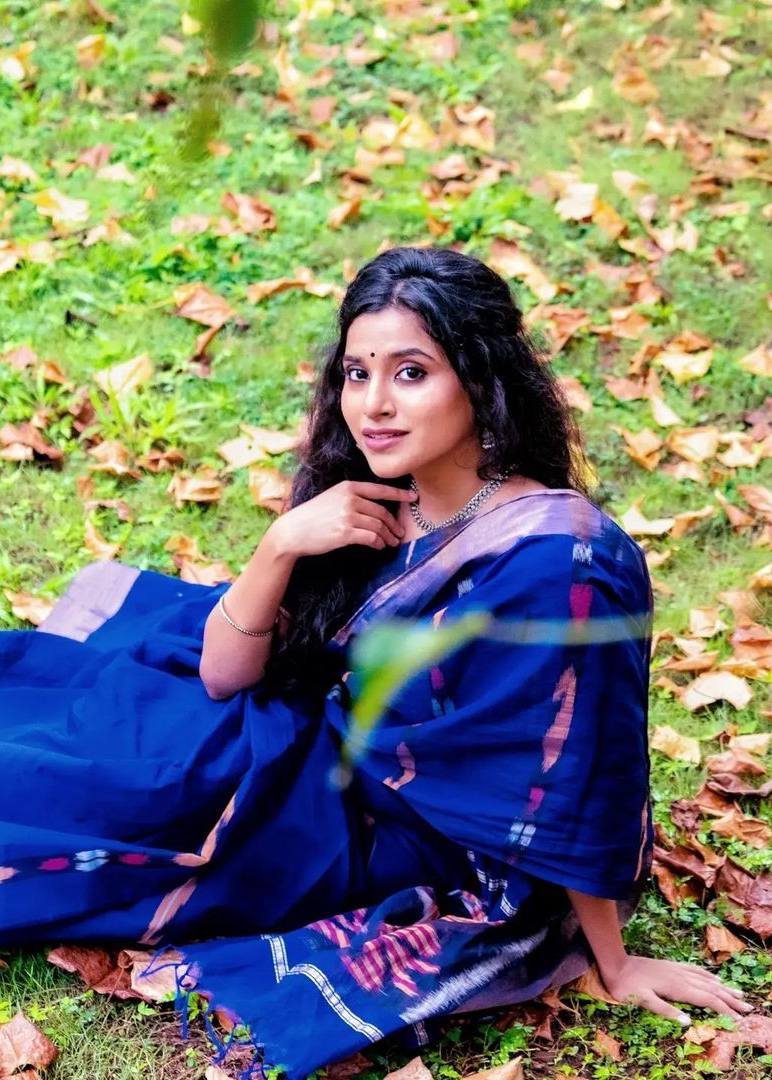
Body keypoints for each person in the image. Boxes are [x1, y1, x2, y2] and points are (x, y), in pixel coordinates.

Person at [0, 247, 749, 1079]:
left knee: (114, 796)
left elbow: (577, 776)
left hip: (378, 828)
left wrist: (615, 961)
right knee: (92, 733)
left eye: (411, 373)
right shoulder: (374, 498)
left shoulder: (558, 563)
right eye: (357, 374)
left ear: (481, 379)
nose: (374, 405)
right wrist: (281, 545)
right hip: (295, 748)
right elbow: (222, 676)